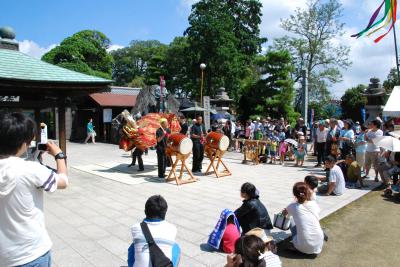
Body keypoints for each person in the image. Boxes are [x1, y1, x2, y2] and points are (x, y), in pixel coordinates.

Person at [0, 112, 69, 267]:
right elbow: (63, 181)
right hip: (31, 253)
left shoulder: (32, 168)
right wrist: (59, 155)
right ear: (25, 142)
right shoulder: (32, 170)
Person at [128, 195, 180, 267]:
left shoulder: (135, 227)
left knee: (133, 246)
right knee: (176, 246)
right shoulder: (172, 228)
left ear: (145, 211)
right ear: (165, 213)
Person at [283, 182, 324, 255]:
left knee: (292, 222)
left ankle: (297, 246)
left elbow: (285, 216)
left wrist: (285, 212)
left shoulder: (292, 206)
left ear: (295, 194)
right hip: (318, 244)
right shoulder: (314, 203)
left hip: (303, 247)